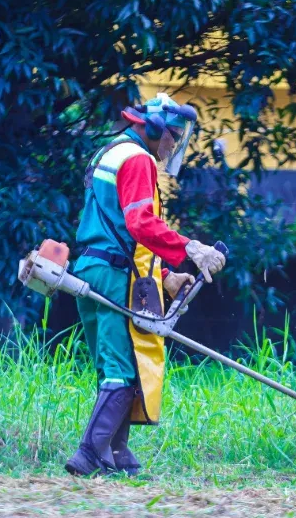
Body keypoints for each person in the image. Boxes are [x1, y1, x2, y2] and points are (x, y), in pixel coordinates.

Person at [64, 93, 226, 477]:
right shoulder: (137, 159)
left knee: (117, 368)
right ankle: (88, 456)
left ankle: (118, 456)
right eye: (172, 135)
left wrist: (167, 279)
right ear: (152, 127)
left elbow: (116, 230)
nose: (172, 144)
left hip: (93, 268)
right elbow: (139, 225)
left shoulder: (111, 151)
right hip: (114, 275)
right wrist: (190, 248)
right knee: (123, 370)